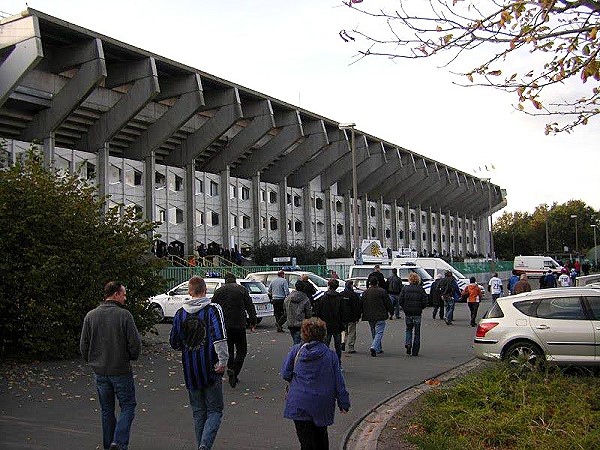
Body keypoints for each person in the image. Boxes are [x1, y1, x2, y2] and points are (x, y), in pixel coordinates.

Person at [170, 276, 229, 450]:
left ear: (190, 291)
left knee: (198, 412)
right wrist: (223, 360)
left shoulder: (180, 313)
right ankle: (204, 445)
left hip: (190, 369)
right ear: (205, 290)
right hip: (210, 367)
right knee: (215, 410)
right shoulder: (212, 309)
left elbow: (174, 342)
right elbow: (220, 337)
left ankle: (201, 445)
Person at [80, 282, 141, 450]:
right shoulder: (124, 316)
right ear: (115, 294)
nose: (125, 297)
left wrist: (91, 360)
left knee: (107, 410)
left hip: (100, 371)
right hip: (120, 369)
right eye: (123, 294)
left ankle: (109, 445)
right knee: (128, 405)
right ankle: (119, 441)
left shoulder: (91, 316)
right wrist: (132, 356)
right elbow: (134, 344)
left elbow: (84, 345)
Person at [282, 318, 350, 450]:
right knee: (321, 438)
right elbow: (339, 382)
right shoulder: (330, 355)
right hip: (321, 403)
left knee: (306, 441)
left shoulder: (296, 351)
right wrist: (344, 402)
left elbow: (286, 373)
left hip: (300, 401)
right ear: (323, 334)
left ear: (304, 333)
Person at [211, 272, 257, 388]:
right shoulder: (242, 290)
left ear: (225, 280)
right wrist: (253, 321)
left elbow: (213, 308)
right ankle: (235, 371)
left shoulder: (219, 292)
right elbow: (250, 306)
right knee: (242, 350)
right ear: (235, 280)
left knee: (229, 350)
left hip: (224, 325)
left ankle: (231, 370)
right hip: (239, 324)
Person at [361, 275, 393, 357]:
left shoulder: (365, 292)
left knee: (373, 331)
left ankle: (378, 348)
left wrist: (360, 314)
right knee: (379, 332)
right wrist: (391, 311)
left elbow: (362, 304)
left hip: (369, 315)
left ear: (370, 283)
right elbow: (388, 303)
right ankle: (374, 347)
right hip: (380, 315)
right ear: (377, 283)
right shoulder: (382, 291)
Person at [315, 278, 345, 364]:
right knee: (338, 346)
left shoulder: (323, 298)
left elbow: (318, 312)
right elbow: (343, 312)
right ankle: (338, 362)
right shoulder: (340, 298)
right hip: (337, 324)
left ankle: (324, 362)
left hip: (326, 324)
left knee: (325, 344)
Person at [398, 273, 428, 356]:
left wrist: (404, 307)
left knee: (408, 329)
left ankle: (408, 343)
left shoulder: (405, 289)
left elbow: (400, 300)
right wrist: (421, 307)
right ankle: (415, 350)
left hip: (408, 312)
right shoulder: (421, 289)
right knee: (417, 332)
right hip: (417, 312)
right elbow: (425, 301)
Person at [284, 280, 312, 345]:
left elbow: (285, 311)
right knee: (298, 343)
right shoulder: (305, 299)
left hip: (290, 322)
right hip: (301, 323)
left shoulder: (288, 298)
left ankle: (295, 352)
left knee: (296, 340)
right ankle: (296, 354)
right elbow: (308, 314)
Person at [341, 279, 362, 354]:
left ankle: (342, 342)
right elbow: (357, 307)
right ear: (351, 286)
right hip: (351, 317)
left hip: (342, 317)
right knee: (351, 332)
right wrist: (357, 317)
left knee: (343, 331)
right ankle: (350, 347)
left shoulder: (341, 294)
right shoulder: (354, 295)